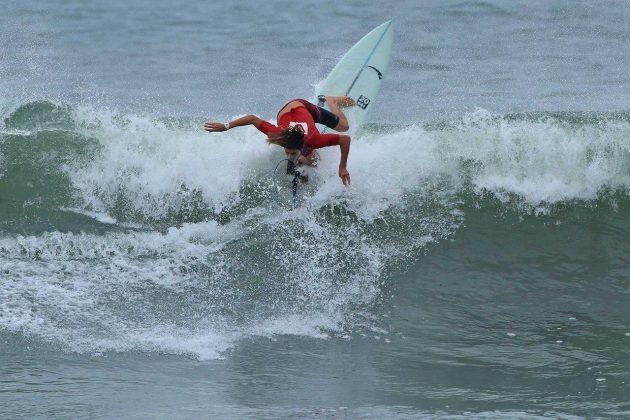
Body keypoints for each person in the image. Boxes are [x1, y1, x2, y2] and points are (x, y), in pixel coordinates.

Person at [204, 96, 355, 185]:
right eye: (287, 152)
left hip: (304, 107)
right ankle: (301, 162)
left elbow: (345, 139)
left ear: (301, 145)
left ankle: (332, 101)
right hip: (287, 110)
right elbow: (252, 119)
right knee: (314, 160)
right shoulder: (277, 134)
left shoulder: (314, 139)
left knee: (344, 127)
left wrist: (342, 167)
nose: (288, 155)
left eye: (292, 152)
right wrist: (226, 126)